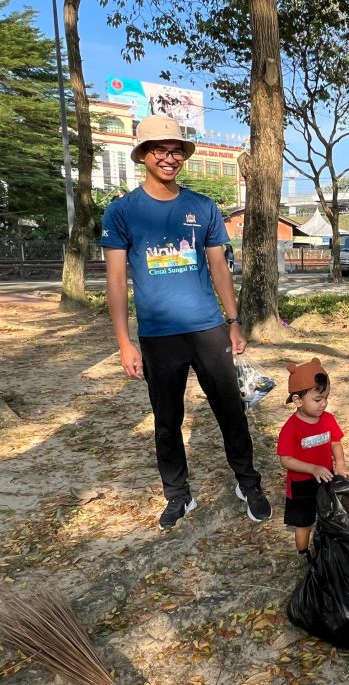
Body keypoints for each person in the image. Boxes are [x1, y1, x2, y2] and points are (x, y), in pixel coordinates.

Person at [101, 114, 272, 531]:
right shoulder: (122, 211)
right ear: (143, 154)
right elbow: (117, 281)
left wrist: (233, 320)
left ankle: (248, 483)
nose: (169, 157)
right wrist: (124, 342)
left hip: (208, 328)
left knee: (231, 410)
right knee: (167, 420)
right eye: (159, 149)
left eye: (175, 149)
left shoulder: (202, 207)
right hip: (158, 336)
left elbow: (219, 267)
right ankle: (179, 495)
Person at [277, 358, 349, 560]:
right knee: (304, 523)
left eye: (326, 398)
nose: (324, 404)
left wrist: (341, 465)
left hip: (325, 478)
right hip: (301, 485)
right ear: (298, 400)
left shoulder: (328, 419)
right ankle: (303, 552)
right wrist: (312, 468)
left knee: (328, 514)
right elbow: (286, 460)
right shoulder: (291, 428)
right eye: (318, 400)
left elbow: (335, 442)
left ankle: (327, 545)